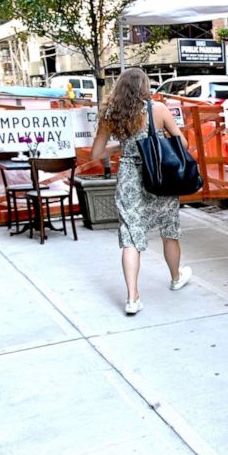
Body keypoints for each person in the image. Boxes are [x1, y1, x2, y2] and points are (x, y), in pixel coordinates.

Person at [90, 67, 192, 315]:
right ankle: (176, 277)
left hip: (128, 178)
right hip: (159, 176)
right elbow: (183, 144)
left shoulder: (112, 114)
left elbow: (96, 155)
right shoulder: (158, 109)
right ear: (145, 86)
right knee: (169, 229)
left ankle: (133, 298)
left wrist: (121, 147)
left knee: (131, 237)